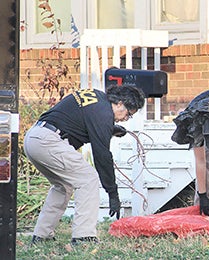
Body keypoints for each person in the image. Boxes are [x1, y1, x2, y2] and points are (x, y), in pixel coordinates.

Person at [24, 85, 145, 245]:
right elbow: (102, 156)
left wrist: (109, 129)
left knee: (63, 186)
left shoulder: (97, 97)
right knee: (88, 179)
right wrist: (113, 193)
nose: (125, 119)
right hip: (49, 141)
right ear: (120, 103)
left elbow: (78, 119)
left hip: (34, 137)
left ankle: (42, 235)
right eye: (128, 114)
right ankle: (83, 237)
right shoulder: (103, 113)